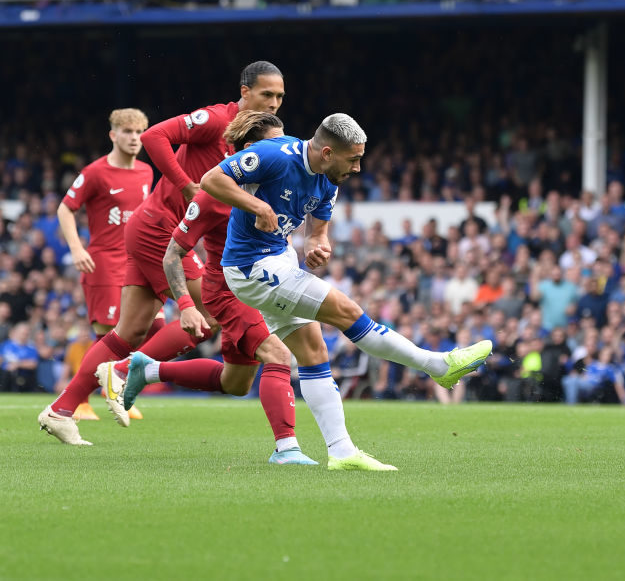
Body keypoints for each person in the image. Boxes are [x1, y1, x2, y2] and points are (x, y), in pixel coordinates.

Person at [197, 113, 492, 471]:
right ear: (326, 152)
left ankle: (341, 452)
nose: (357, 167)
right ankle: (437, 365)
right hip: (250, 267)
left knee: (313, 351)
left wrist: (318, 247)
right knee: (348, 311)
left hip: (280, 261)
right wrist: (257, 206)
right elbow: (211, 179)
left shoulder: (328, 181)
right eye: (352, 159)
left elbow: (318, 233)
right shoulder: (274, 155)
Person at [38, 61, 286, 446]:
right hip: (161, 229)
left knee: (130, 331)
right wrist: (187, 185)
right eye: (266, 94)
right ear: (244, 91)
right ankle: (122, 372)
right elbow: (156, 136)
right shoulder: (215, 120)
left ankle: (62, 410)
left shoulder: (258, 140)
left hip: (155, 227)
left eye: (279, 97)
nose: (273, 103)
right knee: (209, 313)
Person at [102, 111, 318, 465]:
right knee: (278, 355)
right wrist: (186, 304)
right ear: (251, 150)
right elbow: (173, 255)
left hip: (259, 286)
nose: (285, 148)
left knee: (236, 383)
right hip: (229, 290)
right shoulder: (211, 193)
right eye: (276, 142)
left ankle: (145, 369)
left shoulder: (278, 185)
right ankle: (287, 449)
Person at [56, 108, 153, 421]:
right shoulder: (95, 172)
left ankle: (115, 389)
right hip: (103, 263)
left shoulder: (146, 172)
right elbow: (65, 209)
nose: (135, 138)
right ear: (113, 135)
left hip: (136, 262)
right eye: (128, 132)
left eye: (139, 132)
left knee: (151, 328)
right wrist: (76, 248)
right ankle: (80, 401)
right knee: (106, 335)